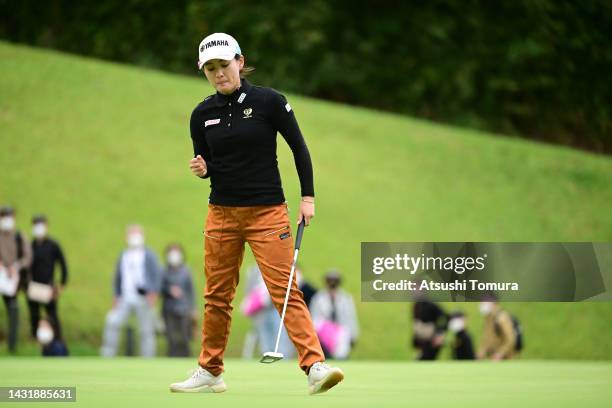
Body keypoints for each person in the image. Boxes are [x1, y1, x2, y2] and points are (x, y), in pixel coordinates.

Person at [170, 32, 343, 395]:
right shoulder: (201, 114)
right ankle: (210, 371)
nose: (219, 74)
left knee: (285, 291)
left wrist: (307, 197)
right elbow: (213, 165)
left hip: (268, 214)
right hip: (221, 215)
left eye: (224, 65)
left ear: (240, 62)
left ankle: (315, 366)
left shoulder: (270, 102)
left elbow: (299, 148)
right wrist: (205, 170)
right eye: (211, 68)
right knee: (217, 296)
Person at [100, 225, 161, 357]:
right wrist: (116, 295)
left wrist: (154, 293)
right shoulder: (124, 255)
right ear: (126, 237)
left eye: (137, 234)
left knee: (146, 331)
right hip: (125, 298)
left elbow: (157, 274)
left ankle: (148, 359)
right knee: (112, 322)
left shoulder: (149, 255)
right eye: (132, 234)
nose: (134, 237)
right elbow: (117, 277)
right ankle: (107, 356)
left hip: (143, 298)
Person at [240, 265, 295, 359]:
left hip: (277, 309)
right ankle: (267, 358)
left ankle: (283, 360)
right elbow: (249, 291)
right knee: (265, 338)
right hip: (261, 311)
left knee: (281, 336)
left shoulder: (279, 267)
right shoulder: (253, 271)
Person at [27, 214, 68, 340]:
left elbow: (63, 264)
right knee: (34, 315)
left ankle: (58, 341)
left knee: (52, 316)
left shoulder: (53, 245)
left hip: (48, 286)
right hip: (33, 286)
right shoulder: (30, 245)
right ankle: (36, 341)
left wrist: (61, 284)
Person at [0, 205, 32, 353]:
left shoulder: (19, 236)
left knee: (13, 308)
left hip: (12, 279)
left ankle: (12, 346)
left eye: (9, 216)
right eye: (4, 216)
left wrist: (16, 266)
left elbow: (28, 257)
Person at [310, 270, 359, 360]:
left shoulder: (346, 298)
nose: (332, 283)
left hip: (342, 335)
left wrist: (354, 336)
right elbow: (314, 318)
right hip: (323, 337)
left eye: (335, 280)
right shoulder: (318, 298)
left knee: (341, 356)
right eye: (330, 280)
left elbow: (351, 318)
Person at [161, 243, 195, 357]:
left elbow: (191, 291)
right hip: (169, 308)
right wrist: (169, 290)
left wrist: (193, 309)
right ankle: (171, 356)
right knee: (170, 336)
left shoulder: (186, 271)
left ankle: (186, 357)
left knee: (185, 336)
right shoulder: (164, 271)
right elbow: (160, 288)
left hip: (184, 308)